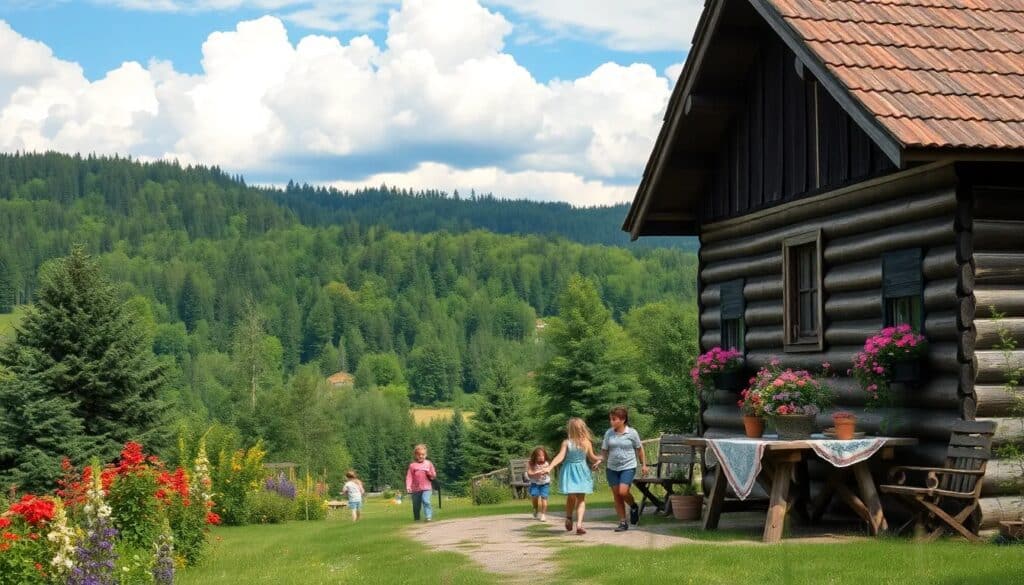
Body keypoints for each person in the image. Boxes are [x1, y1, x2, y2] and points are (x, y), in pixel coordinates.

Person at [547, 417, 602, 535]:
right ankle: (569, 517)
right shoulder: (566, 443)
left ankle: (579, 525)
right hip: (570, 471)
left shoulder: (587, 442)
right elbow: (560, 456)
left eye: (580, 428)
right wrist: (550, 467)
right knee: (571, 496)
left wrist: (600, 459)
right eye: (577, 429)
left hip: (582, 471)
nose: (579, 430)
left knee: (581, 498)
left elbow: (592, 457)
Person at [601, 406, 648, 532]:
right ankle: (622, 522)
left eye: (614, 419)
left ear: (622, 420)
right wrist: (600, 460)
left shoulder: (632, 433)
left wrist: (643, 465)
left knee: (623, 492)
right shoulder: (609, 433)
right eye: (610, 419)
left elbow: (639, 449)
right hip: (612, 468)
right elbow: (604, 450)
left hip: (628, 466)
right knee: (617, 495)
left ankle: (633, 506)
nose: (611, 422)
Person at [406, 444, 437, 522]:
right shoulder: (412, 465)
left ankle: (428, 516)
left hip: (427, 488)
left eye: (423, 454)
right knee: (416, 505)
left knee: (426, 501)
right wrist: (408, 486)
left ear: (426, 455)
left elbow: (434, 475)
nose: (421, 456)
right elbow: (409, 477)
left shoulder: (428, 463)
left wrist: (429, 473)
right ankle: (417, 518)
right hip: (415, 489)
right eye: (419, 454)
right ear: (415, 455)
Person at [526, 446, 551, 521]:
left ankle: (543, 514)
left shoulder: (546, 463)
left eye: (543, 455)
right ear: (535, 456)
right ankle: (535, 508)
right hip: (535, 484)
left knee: (544, 498)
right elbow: (529, 473)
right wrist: (535, 473)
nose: (541, 457)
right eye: (539, 456)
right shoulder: (531, 463)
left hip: (545, 484)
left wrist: (546, 471)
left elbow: (548, 471)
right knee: (535, 497)